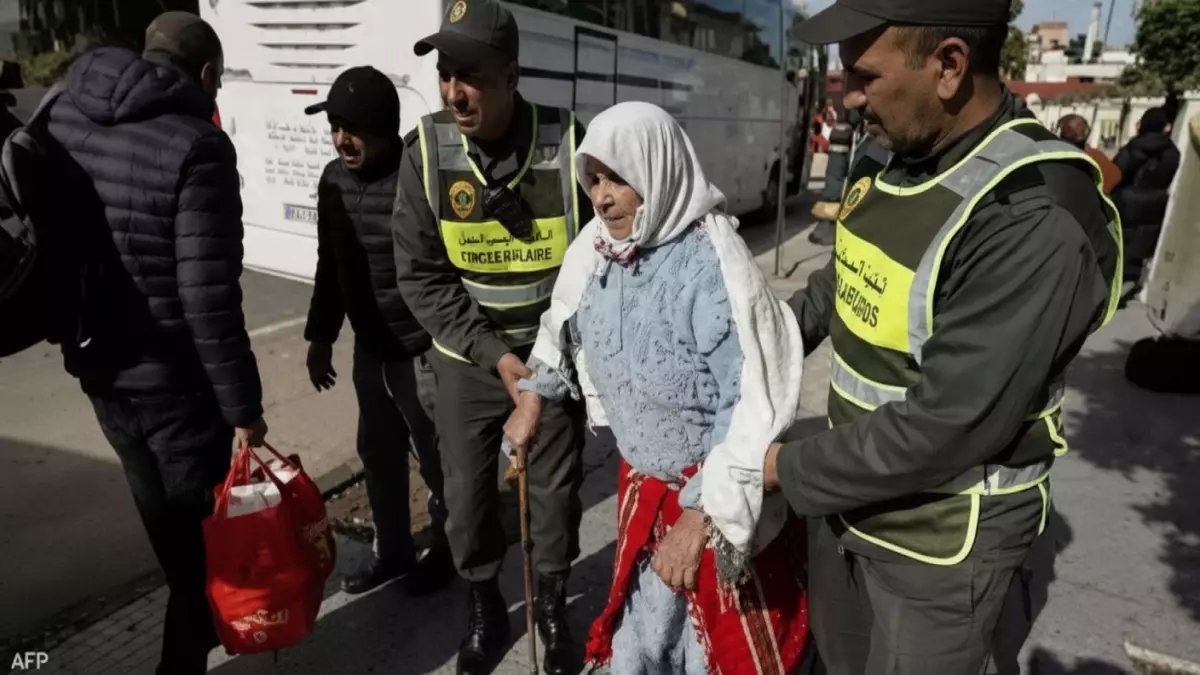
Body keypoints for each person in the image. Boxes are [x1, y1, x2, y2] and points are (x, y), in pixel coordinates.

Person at [761, 1, 1123, 673]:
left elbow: (945, 424)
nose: (849, 99)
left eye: (864, 75)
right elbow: (841, 285)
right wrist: (756, 338)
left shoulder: (1031, 214)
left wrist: (782, 467)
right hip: (848, 503)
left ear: (949, 66)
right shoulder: (891, 154)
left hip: (939, 546)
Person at [503, 101, 811, 675]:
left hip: (713, 499)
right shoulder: (596, 250)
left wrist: (701, 518)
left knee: (712, 656)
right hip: (646, 489)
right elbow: (562, 325)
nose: (601, 196)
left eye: (617, 177)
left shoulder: (710, 265)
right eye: (592, 180)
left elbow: (749, 401)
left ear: (657, 169)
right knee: (643, 642)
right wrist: (532, 398)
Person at [42, 12, 267, 674]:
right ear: (205, 75)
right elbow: (208, 298)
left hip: (102, 378)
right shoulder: (199, 146)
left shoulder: (65, 114)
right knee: (199, 566)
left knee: (175, 546)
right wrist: (244, 409)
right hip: (174, 392)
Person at [390, 1, 591, 672]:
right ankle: (482, 607)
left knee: (555, 500)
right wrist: (494, 355)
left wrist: (545, 358)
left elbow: (602, 256)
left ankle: (554, 607)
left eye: (470, 75)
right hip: (468, 359)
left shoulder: (568, 143)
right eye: (447, 73)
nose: (454, 91)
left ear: (511, 74)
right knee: (469, 500)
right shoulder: (425, 155)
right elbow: (420, 276)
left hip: (551, 355)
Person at [302, 65, 454, 596]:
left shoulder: (418, 177)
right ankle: (392, 553)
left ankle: (449, 552)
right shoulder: (332, 181)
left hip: (421, 353)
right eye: (335, 127)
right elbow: (330, 266)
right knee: (378, 454)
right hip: (372, 352)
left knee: (438, 462)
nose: (342, 139)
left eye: (354, 128)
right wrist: (320, 337)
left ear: (385, 128)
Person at [1112, 107, 1181, 291]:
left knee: (1120, 242)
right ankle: (1131, 278)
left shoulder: (1133, 147)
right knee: (1141, 244)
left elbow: (1116, 171)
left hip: (1127, 201)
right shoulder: (1172, 152)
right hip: (1156, 203)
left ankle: (1116, 279)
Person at [1056, 114, 1122, 194]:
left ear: (1060, 134)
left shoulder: (1055, 158)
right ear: (1087, 133)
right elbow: (1116, 178)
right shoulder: (1097, 157)